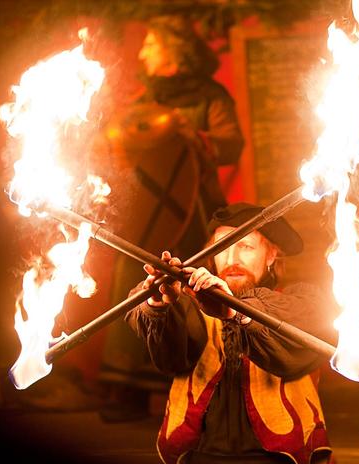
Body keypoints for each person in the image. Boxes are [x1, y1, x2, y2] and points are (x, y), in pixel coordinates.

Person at [125, 202, 339, 464]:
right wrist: (159, 303)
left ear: (272, 255)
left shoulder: (302, 302)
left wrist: (234, 312)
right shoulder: (188, 307)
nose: (232, 258)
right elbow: (167, 353)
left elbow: (295, 338)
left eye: (246, 247)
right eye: (223, 246)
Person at [97, 15, 245, 422]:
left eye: (151, 44)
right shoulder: (145, 99)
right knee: (136, 290)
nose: (143, 51)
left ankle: (188, 389)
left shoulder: (207, 97)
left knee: (188, 295)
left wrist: (193, 135)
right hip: (147, 218)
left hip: (193, 215)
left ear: (172, 49)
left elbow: (231, 144)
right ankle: (126, 388)